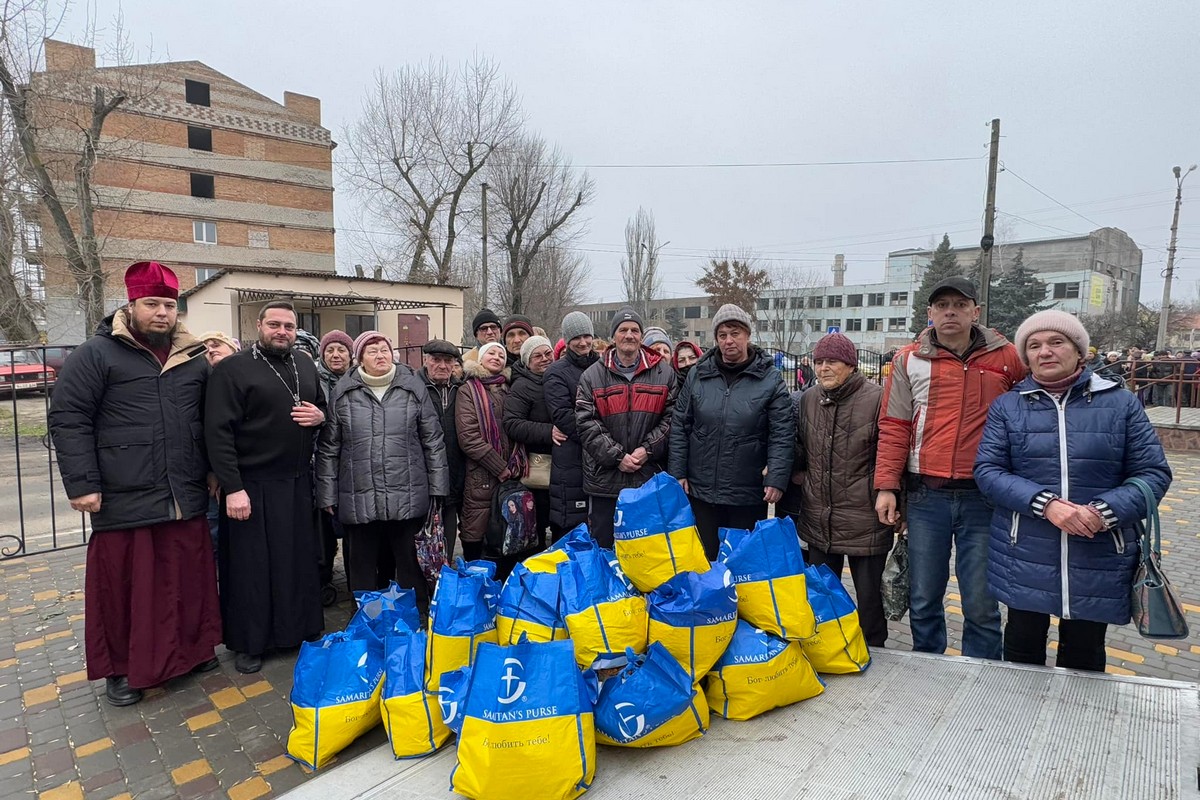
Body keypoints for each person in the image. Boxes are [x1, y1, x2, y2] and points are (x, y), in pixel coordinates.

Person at [49, 261, 221, 706]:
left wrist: (215, 470)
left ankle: (192, 651)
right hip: (124, 493)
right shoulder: (97, 354)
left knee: (186, 580)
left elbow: (209, 421)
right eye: (152, 304)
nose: (162, 313)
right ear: (131, 305)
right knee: (125, 588)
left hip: (183, 492)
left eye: (169, 304)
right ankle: (123, 669)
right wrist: (82, 484)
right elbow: (69, 418)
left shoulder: (193, 357)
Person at [974, 310, 1172, 671]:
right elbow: (988, 471)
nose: (1045, 351)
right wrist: (1045, 504)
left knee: (1085, 654)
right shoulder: (1009, 406)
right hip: (1025, 550)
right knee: (1021, 648)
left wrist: (1103, 512)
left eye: (1056, 342)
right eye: (1034, 346)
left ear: (1079, 351)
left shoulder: (1121, 403)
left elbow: (1153, 473)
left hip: (1097, 550)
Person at [874, 277, 1025, 660]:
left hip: (985, 498)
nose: (951, 311)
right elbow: (895, 425)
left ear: (976, 311)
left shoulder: (1008, 358)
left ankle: (984, 675)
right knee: (924, 597)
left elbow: (1028, 421)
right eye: (942, 305)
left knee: (980, 602)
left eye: (960, 304)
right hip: (927, 498)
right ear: (930, 313)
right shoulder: (908, 359)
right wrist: (887, 486)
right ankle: (928, 672)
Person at [205, 301, 327, 674]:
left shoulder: (305, 364)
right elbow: (217, 432)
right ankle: (249, 643)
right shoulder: (232, 369)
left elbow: (320, 409)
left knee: (295, 563)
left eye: (289, 326)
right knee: (250, 569)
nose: (282, 332)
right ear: (259, 326)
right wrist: (233, 487)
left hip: (295, 483)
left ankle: (296, 631)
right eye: (274, 324)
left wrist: (321, 417)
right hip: (251, 485)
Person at [316, 331, 448, 617]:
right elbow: (329, 447)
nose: (380, 355)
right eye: (372, 350)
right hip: (359, 493)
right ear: (360, 357)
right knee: (362, 566)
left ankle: (416, 618)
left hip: (407, 494)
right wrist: (327, 493)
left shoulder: (412, 387)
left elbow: (433, 440)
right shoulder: (344, 391)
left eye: (385, 349)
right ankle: (365, 620)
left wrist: (438, 488)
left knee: (410, 565)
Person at [779, 333, 890, 647]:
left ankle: (874, 650)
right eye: (818, 361)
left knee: (869, 600)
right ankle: (827, 648)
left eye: (832, 361)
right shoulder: (809, 398)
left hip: (863, 519)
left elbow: (890, 454)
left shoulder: (877, 398)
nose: (823, 368)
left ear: (850, 365)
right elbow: (799, 444)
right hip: (819, 517)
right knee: (822, 595)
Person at [668, 304, 793, 559]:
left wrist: (776, 477)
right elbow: (681, 424)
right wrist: (678, 472)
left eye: (735, 333)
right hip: (701, 490)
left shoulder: (770, 379)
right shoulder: (698, 374)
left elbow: (782, 433)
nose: (729, 341)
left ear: (747, 335)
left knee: (741, 564)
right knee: (705, 563)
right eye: (722, 335)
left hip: (745, 494)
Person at [577, 306, 677, 547]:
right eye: (623, 330)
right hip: (606, 481)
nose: (629, 335)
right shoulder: (592, 376)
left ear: (641, 336)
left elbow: (672, 418)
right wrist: (618, 456)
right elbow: (586, 422)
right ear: (614, 336)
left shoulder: (664, 373)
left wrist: (647, 450)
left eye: (635, 330)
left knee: (647, 552)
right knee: (604, 549)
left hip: (649, 478)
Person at [455, 342, 518, 567]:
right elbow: (469, 438)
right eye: (491, 353)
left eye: (501, 354)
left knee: (508, 537)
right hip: (480, 477)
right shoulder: (468, 390)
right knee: (475, 535)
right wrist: (500, 467)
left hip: (512, 475)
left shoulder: (509, 389)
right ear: (480, 359)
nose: (497, 357)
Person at [544, 312, 599, 538]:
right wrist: (602, 440)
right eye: (577, 337)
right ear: (567, 341)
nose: (583, 342)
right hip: (571, 461)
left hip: (601, 462)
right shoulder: (555, 372)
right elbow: (564, 416)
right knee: (570, 530)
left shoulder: (604, 366)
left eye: (587, 335)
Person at [503, 335, 558, 543]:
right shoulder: (523, 386)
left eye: (547, 353)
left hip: (563, 466)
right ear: (527, 361)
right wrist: (549, 431)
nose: (544, 358)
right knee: (538, 526)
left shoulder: (559, 378)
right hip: (538, 468)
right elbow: (512, 423)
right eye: (537, 356)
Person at [314, 330, 354, 597]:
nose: (336, 355)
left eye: (341, 350)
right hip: (319, 461)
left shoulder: (358, 380)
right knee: (322, 527)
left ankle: (357, 582)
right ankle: (323, 578)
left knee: (353, 527)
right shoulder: (312, 380)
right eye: (330, 350)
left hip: (352, 462)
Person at [419, 339, 465, 559]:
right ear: (425, 360)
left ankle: (443, 579)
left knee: (447, 540)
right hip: (422, 479)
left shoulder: (460, 388)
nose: (443, 366)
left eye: (448, 361)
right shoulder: (413, 387)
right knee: (420, 542)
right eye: (436, 360)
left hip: (454, 476)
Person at [197, 331, 240, 551]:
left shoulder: (245, 377)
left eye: (216, 344)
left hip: (246, 468)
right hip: (213, 469)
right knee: (213, 525)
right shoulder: (201, 383)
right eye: (205, 347)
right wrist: (213, 471)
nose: (211, 349)